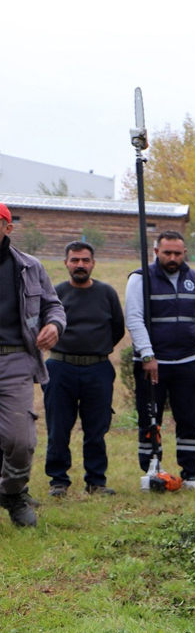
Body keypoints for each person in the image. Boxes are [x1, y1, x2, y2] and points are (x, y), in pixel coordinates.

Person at [126, 230, 195, 491]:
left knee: (189, 419)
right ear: (156, 252)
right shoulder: (140, 278)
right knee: (150, 419)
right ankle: (153, 468)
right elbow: (134, 318)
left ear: (184, 253)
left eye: (177, 253)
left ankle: (190, 475)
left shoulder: (194, 278)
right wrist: (147, 354)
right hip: (152, 363)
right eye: (167, 252)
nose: (173, 257)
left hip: (186, 362)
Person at [0, 203, 65, 526]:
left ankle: (12, 492)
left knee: (20, 441)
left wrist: (54, 325)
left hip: (15, 359)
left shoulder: (29, 267)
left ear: (7, 228)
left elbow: (54, 305)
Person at [44, 242, 124, 497]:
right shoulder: (55, 294)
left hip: (97, 369)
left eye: (85, 260)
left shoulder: (106, 293)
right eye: (75, 260)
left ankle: (96, 482)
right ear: (65, 262)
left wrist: (95, 351)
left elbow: (118, 330)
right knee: (58, 427)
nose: (80, 265)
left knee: (96, 429)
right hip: (60, 368)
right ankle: (58, 481)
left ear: (93, 264)